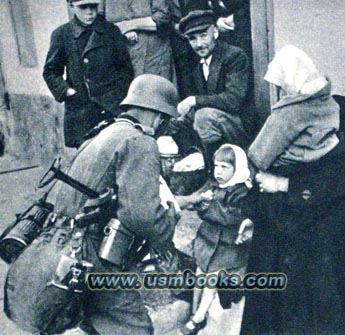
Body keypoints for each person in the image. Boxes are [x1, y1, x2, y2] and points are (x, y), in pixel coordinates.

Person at [45, 74, 179, 335]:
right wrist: (168, 228)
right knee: (135, 328)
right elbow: (142, 214)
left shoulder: (104, 131)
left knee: (96, 322)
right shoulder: (140, 142)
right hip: (95, 254)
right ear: (159, 116)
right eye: (165, 120)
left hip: (67, 246)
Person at [241, 46, 345, 335]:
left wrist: (284, 185)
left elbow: (259, 156)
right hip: (292, 225)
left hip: (304, 226)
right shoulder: (329, 108)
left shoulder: (298, 114)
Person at [176, 144, 254, 335]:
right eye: (216, 166)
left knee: (213, 282)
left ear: (238, 169)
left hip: (227, 248)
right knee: (200, 276)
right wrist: (202, 202)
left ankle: (199, 318)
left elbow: (230, 217)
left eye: (225, 167)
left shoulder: (242, 192)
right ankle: (196, 313)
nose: (218, 172)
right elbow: (203, 209)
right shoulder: (214, 185)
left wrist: (207, 204)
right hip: (207, 243)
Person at [170, 10, 255, 169]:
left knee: (203, 116)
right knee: (173, 122)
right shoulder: (193, 62)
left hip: (239, 125)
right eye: (192, 39)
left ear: (215, 32)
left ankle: (213, 172)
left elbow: (234, 100)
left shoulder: (234, 56)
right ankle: (196, 158)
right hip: (213, 121)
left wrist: (194, 101)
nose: (199, 44)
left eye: (203, 35)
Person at [43, 0, 134, 148]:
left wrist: (117, 96)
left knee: (115, 150)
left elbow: (125, 70)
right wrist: (68, 91)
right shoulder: (62, 34)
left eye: (93, 7)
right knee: (87, 157)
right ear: (72, 6)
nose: (90, 12)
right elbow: (51, 71)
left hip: (111, 107)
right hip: (82, 108)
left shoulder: (111, 31)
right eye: (83, 7)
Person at [106, 0, 174, 82]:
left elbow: (163, 18)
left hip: (153, 56)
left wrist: (129, 25)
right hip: (117, 54)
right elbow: (98, 21)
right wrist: (119, 32)